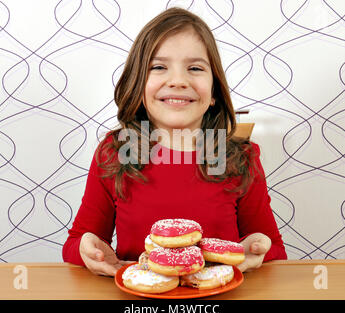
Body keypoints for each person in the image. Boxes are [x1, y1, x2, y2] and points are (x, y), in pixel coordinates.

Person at [62, 7, 287, 276]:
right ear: (138, 84)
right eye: (159, 67)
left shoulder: (239, 156)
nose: (178, 80)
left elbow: (273, 247)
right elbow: (76, 244)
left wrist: (256, 250)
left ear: (214, 91)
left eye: (195, 68)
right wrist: (87, 249)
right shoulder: (115, 152)